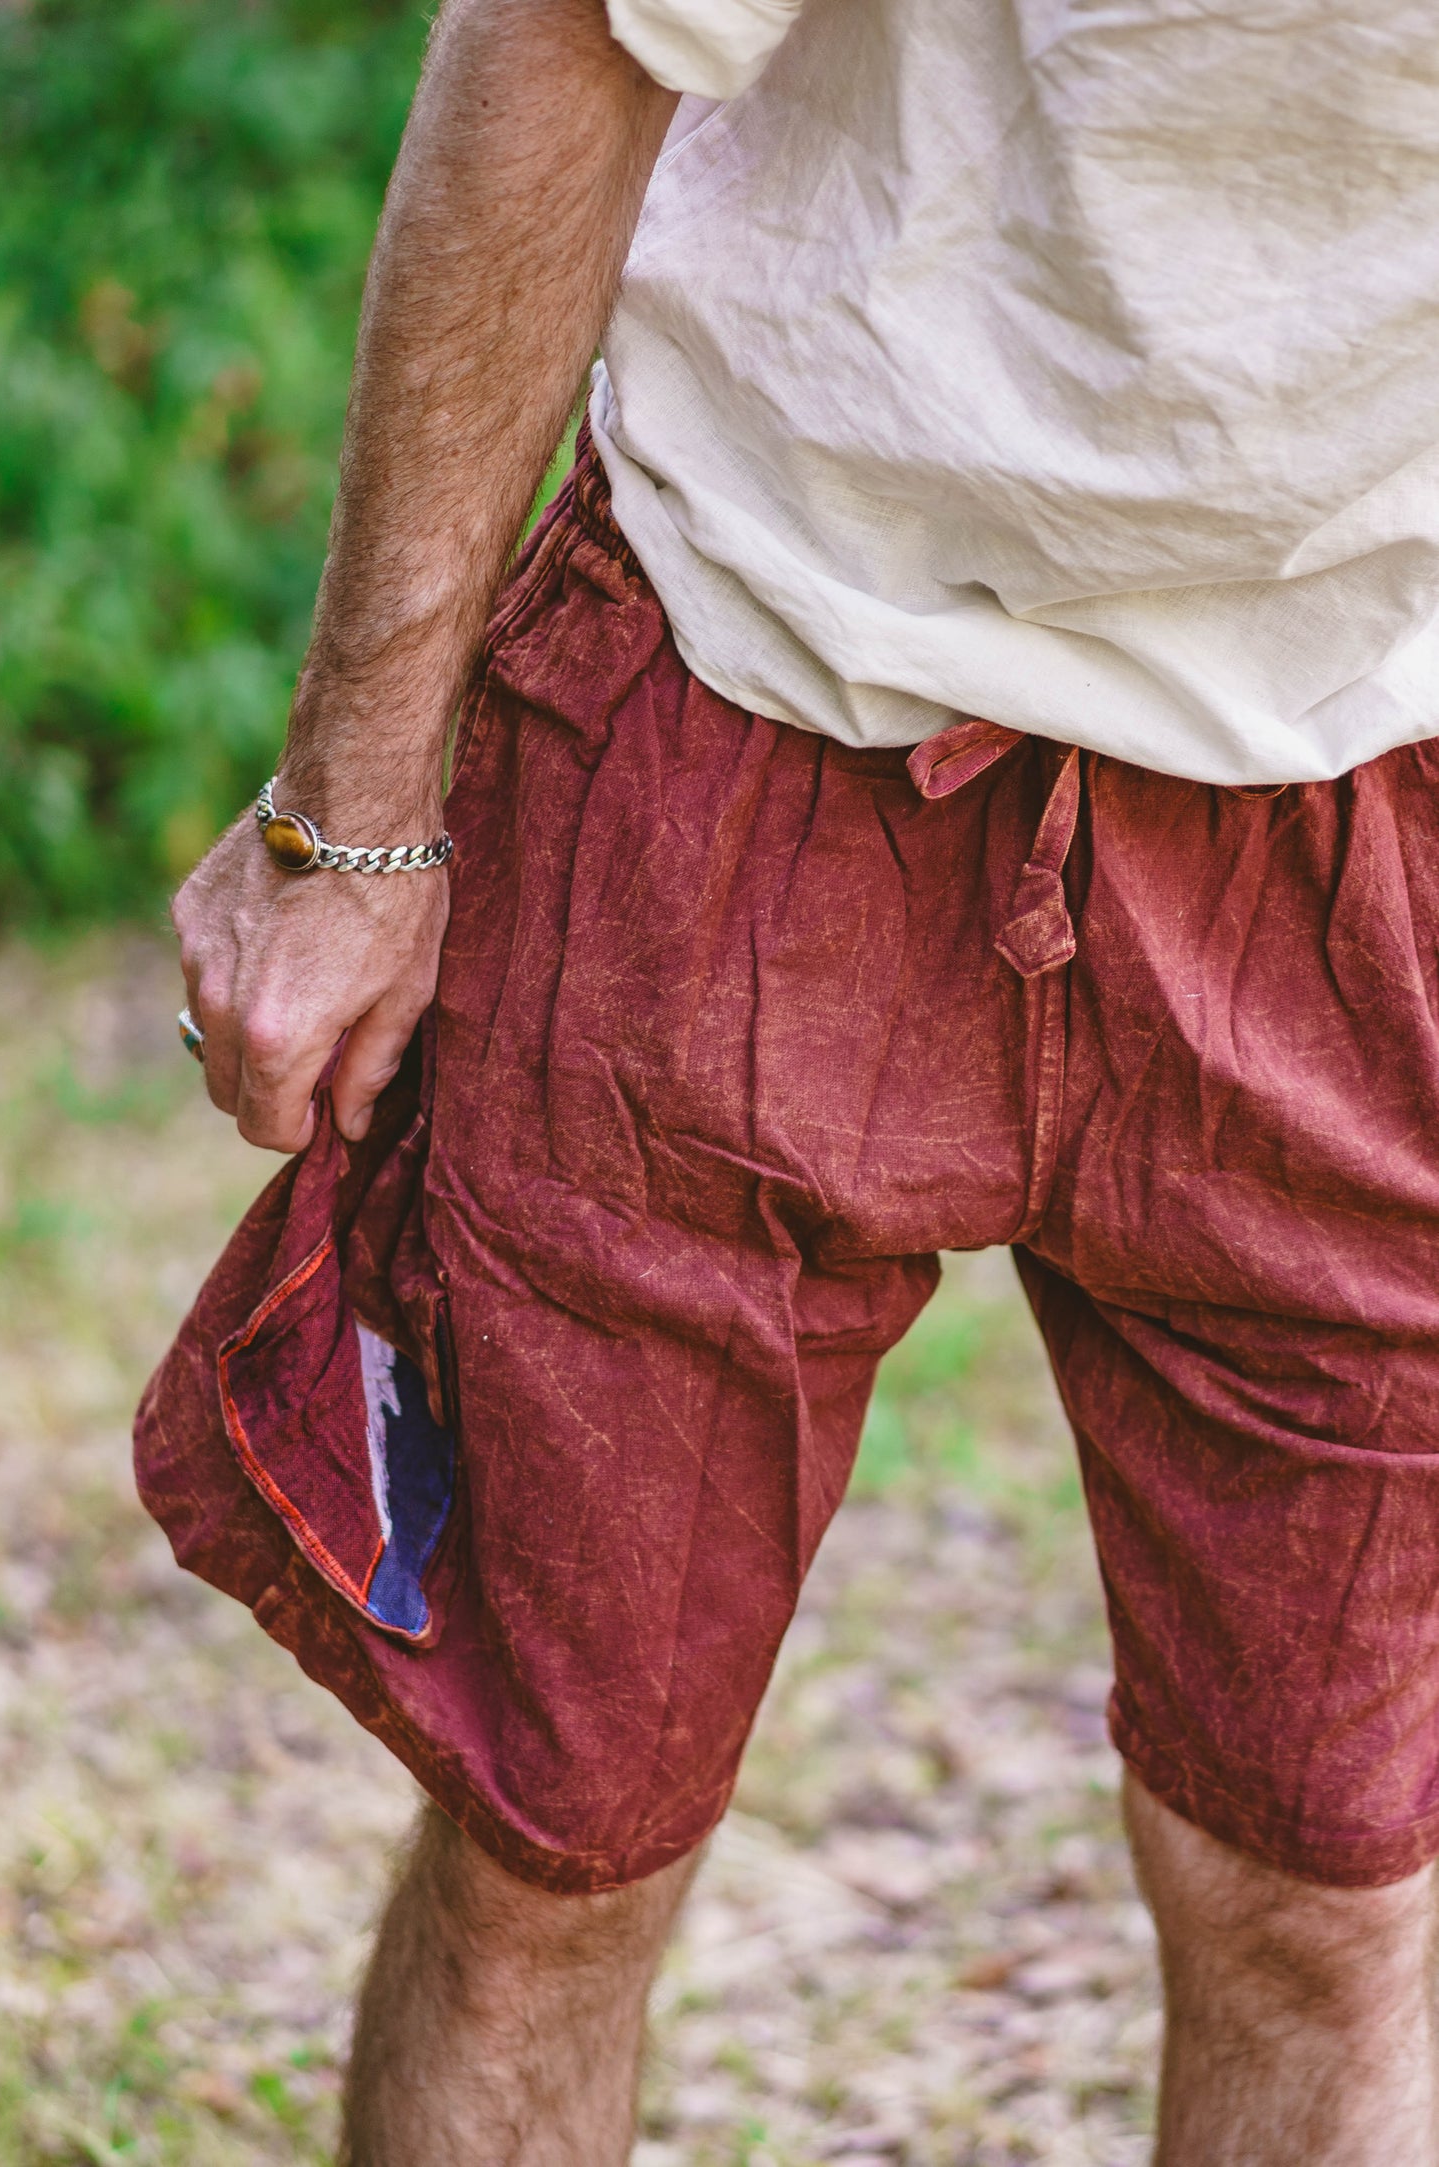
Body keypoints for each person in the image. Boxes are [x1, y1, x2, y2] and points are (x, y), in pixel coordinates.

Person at [137, 0, 1439, 2156]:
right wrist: (354, 814)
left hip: (1363, 785)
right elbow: (571, 29)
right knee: (555, 1844)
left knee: (1330, 1891)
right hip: (753, 680)